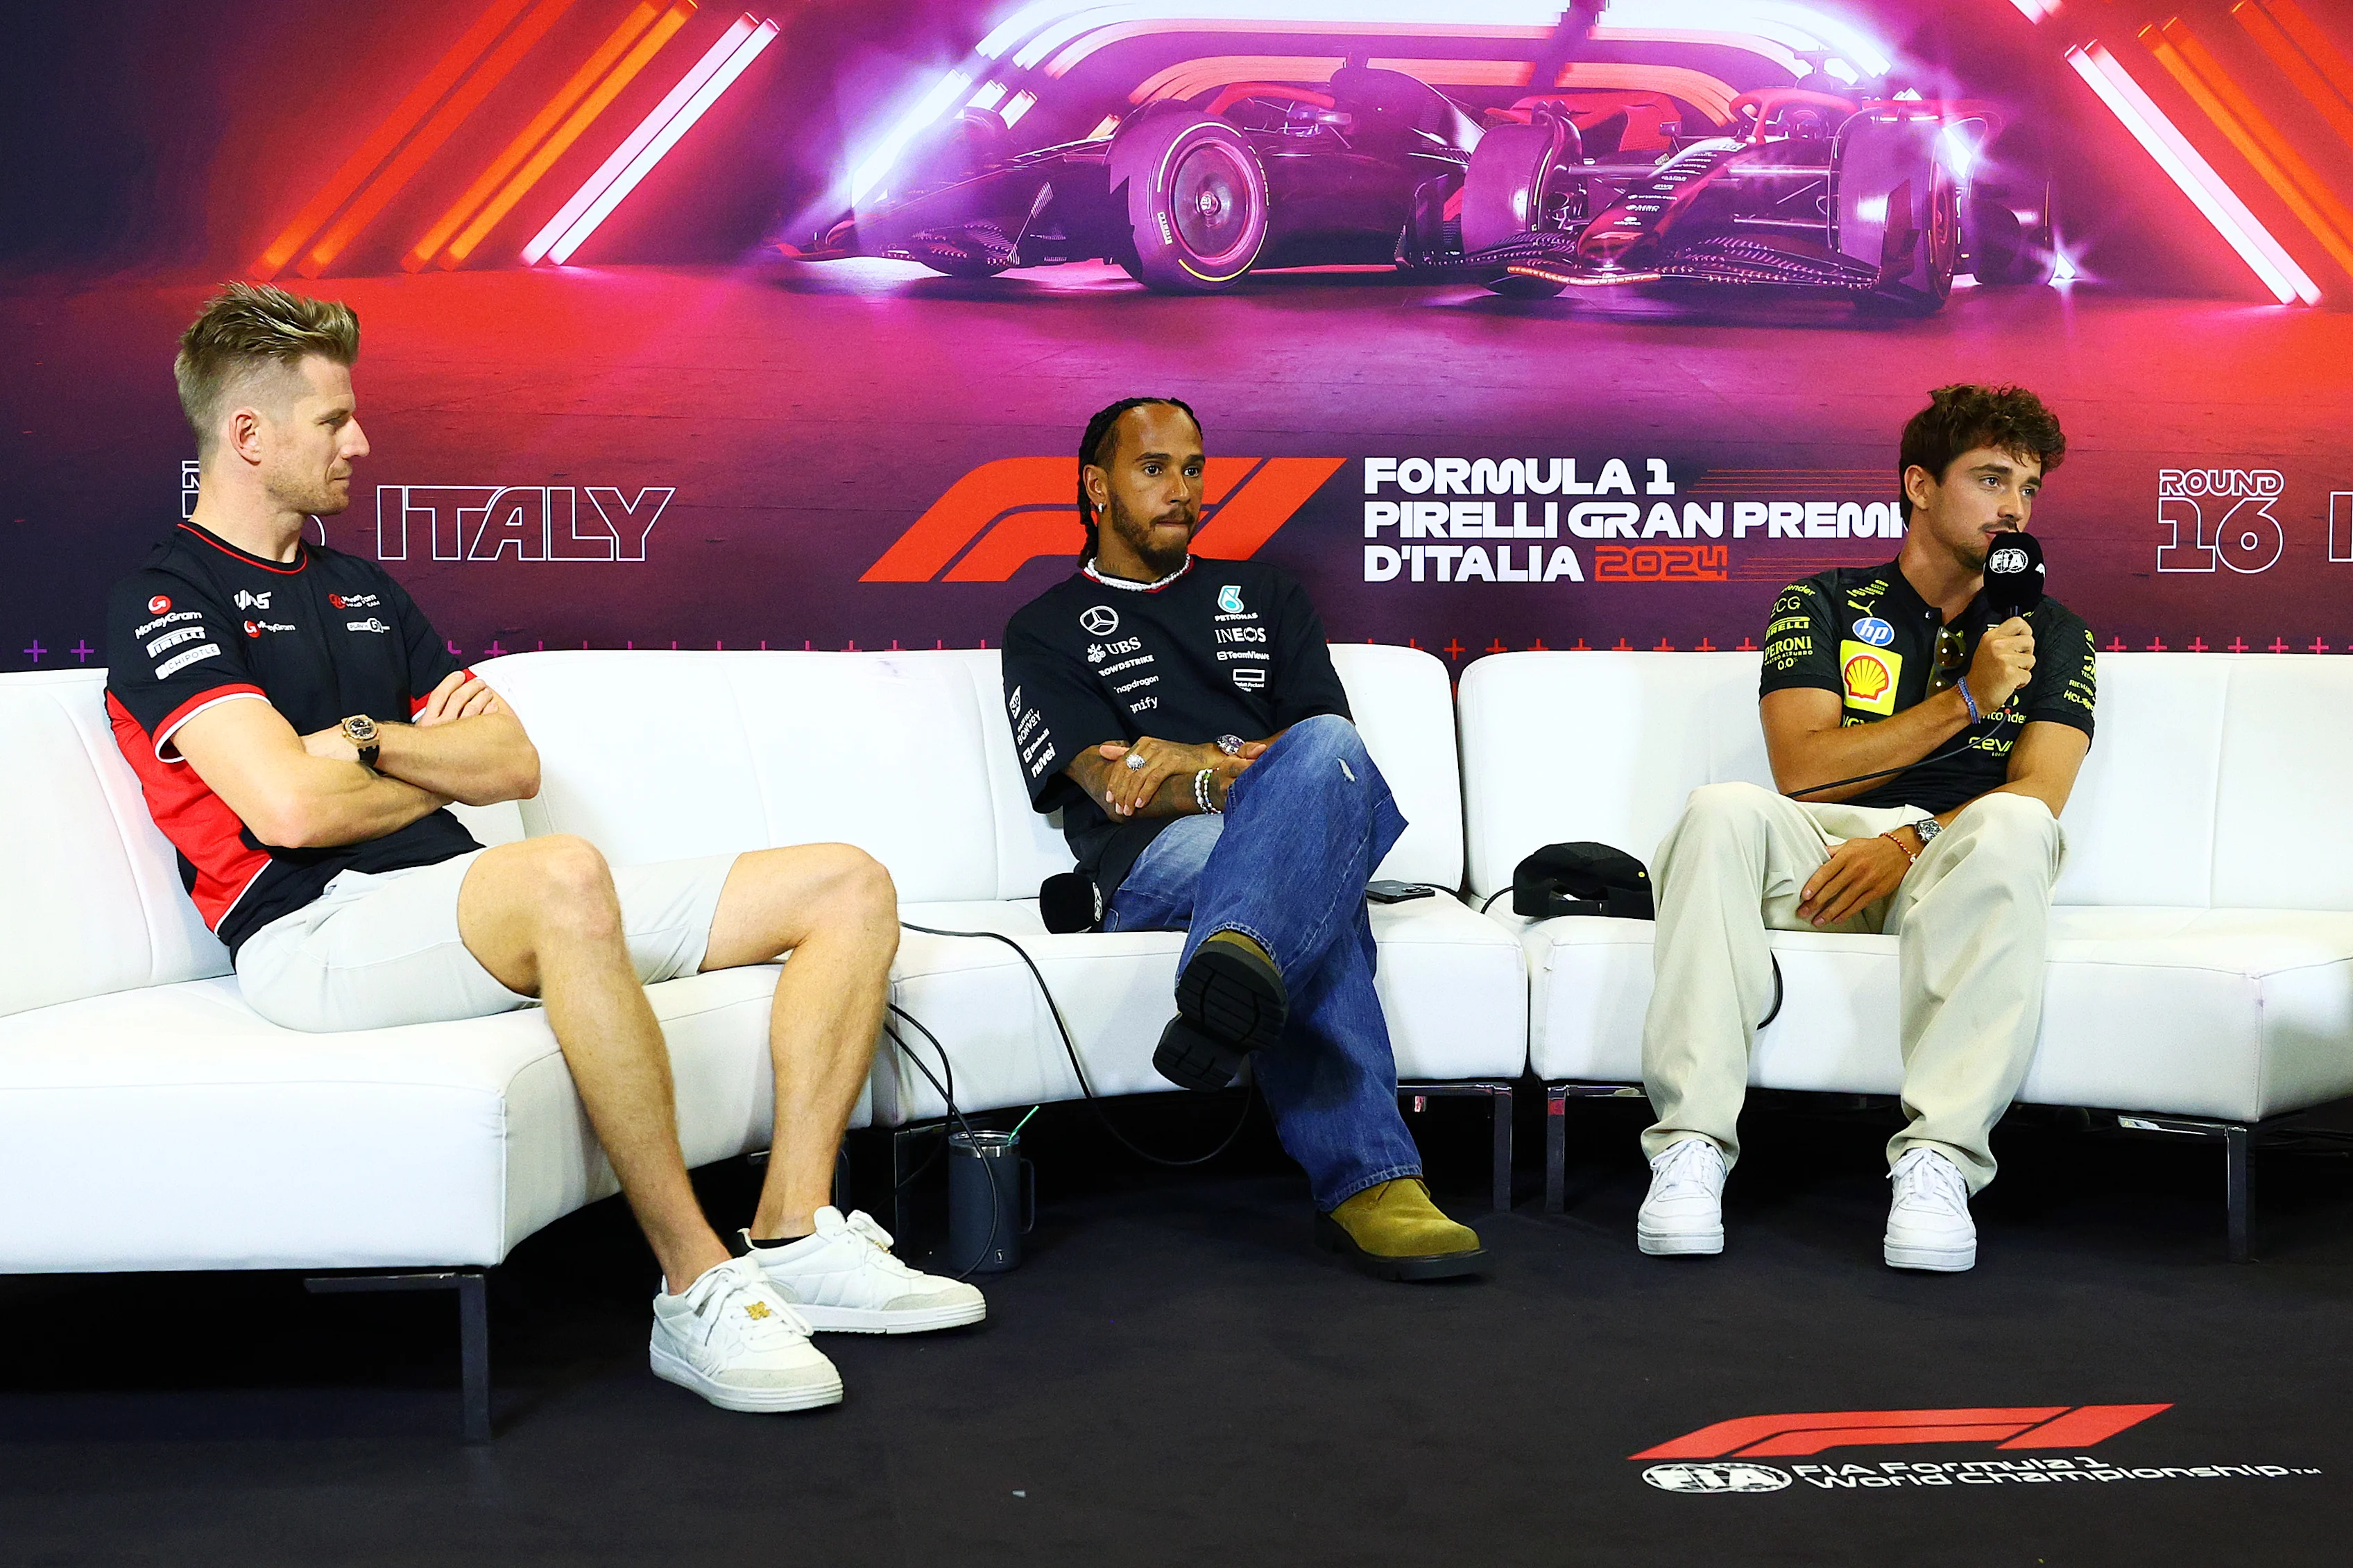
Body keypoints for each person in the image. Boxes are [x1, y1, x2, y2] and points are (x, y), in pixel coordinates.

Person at [105, 284, 981, 1414]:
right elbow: (287, 812)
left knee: (845, 884)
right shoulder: (166, 596)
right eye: (334, 421)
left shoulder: (361, 588)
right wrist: (408, 758)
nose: (361, 442)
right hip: (311, 937)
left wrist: (362, 743)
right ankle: (692, 1282)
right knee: (558, 872)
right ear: (247, 436)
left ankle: (790, 1231)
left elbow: (510, 763)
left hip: (458, 900)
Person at [1000, 397, 1484, 1281]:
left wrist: (1193, 760)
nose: (1181, 490)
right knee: (1314, 885)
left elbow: (1324, 752)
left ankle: (1236, 956)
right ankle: (1370, 1183)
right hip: (1150, 863)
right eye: (1153, 470)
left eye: (1193, 469)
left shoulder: (1265, 594)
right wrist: (1240, 773)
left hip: (1266, 830)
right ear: (1095, 486)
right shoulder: (1045, 627)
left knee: (1325, 765)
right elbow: (1114, 789)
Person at [1636, 384, 2096, 1272]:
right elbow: (1802, 769)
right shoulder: (1823, 601)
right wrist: (1966, 701)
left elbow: (2039, 790)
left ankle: (1938, 1161)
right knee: (1718, 809)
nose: (2012, 506)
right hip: (1818, 852)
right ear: (1919, 485)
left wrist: (1909, 840)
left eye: (2028, 488)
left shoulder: (2053, 632)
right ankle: (1689, 1147)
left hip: (1953, 852)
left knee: (2011, 824)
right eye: (1990, 478)